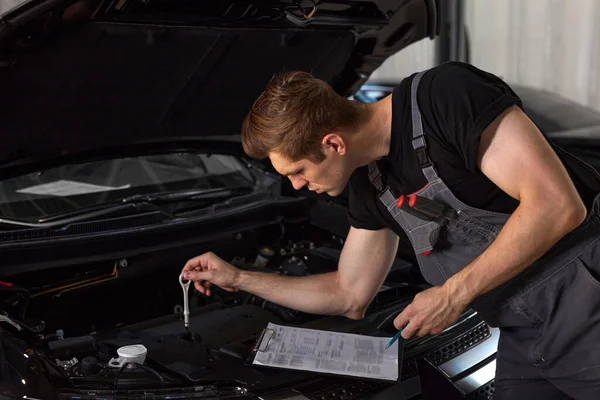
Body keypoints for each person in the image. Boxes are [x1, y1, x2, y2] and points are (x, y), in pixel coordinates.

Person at [182, 61, 600, 399]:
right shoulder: (369, 184)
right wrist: (238, 278)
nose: (295, 186)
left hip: (588, 305)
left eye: (298, 171)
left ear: (333, 144)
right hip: (524, 333)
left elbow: (557, 206)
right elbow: (349, 294)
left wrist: (452, 294)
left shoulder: (445, 97)